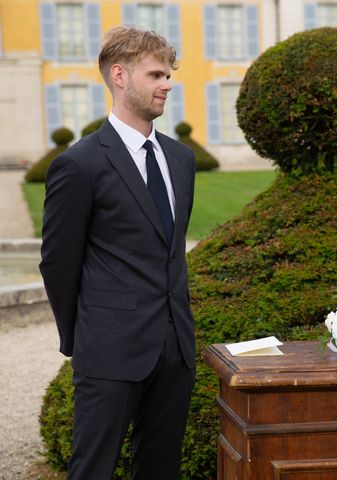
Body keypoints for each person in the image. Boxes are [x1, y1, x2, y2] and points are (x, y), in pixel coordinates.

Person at [40, 26, 196, 479]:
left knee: (161, 469)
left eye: (169, 74)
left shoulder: (181, 160)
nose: (167, 83)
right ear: (120, 76)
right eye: (156, 74)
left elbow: (170, 254)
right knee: (93, 470)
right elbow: (58, 263)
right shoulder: (79, 164)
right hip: (108, 350)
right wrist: (82, 336)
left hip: (175, 350)